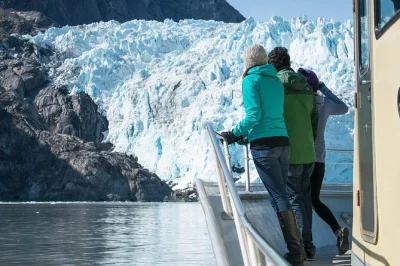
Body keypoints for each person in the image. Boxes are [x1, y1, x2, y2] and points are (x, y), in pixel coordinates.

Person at [220, 44, 304, 266]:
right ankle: (298, 248)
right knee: (282, 193)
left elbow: (255, 115)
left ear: (248, 62)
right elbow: (272, 114)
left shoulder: (250, 80)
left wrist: (234, 133)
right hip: (283, 142)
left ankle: (296, 252)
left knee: (278, 195)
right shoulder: (275, 80)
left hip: (264, 146)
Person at [268, 47, 318, 261]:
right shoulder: (306, 85)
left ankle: (301, 250)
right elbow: (313, 120)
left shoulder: (276, 85)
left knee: (294, 200)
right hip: (308, 152)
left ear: (273, 65)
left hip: (289, 153)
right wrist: (308, 142)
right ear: (288, 62)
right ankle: (309, 246)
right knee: (305, 200)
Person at [297, 68, 350, 255]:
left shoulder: (302, 102)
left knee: (302, 200)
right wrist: (323, 88)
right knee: (314, 199)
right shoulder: (325, 103)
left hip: (304, 158)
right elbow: (344, 107)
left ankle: (304, 243)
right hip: (320, 159)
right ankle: (336, 230)